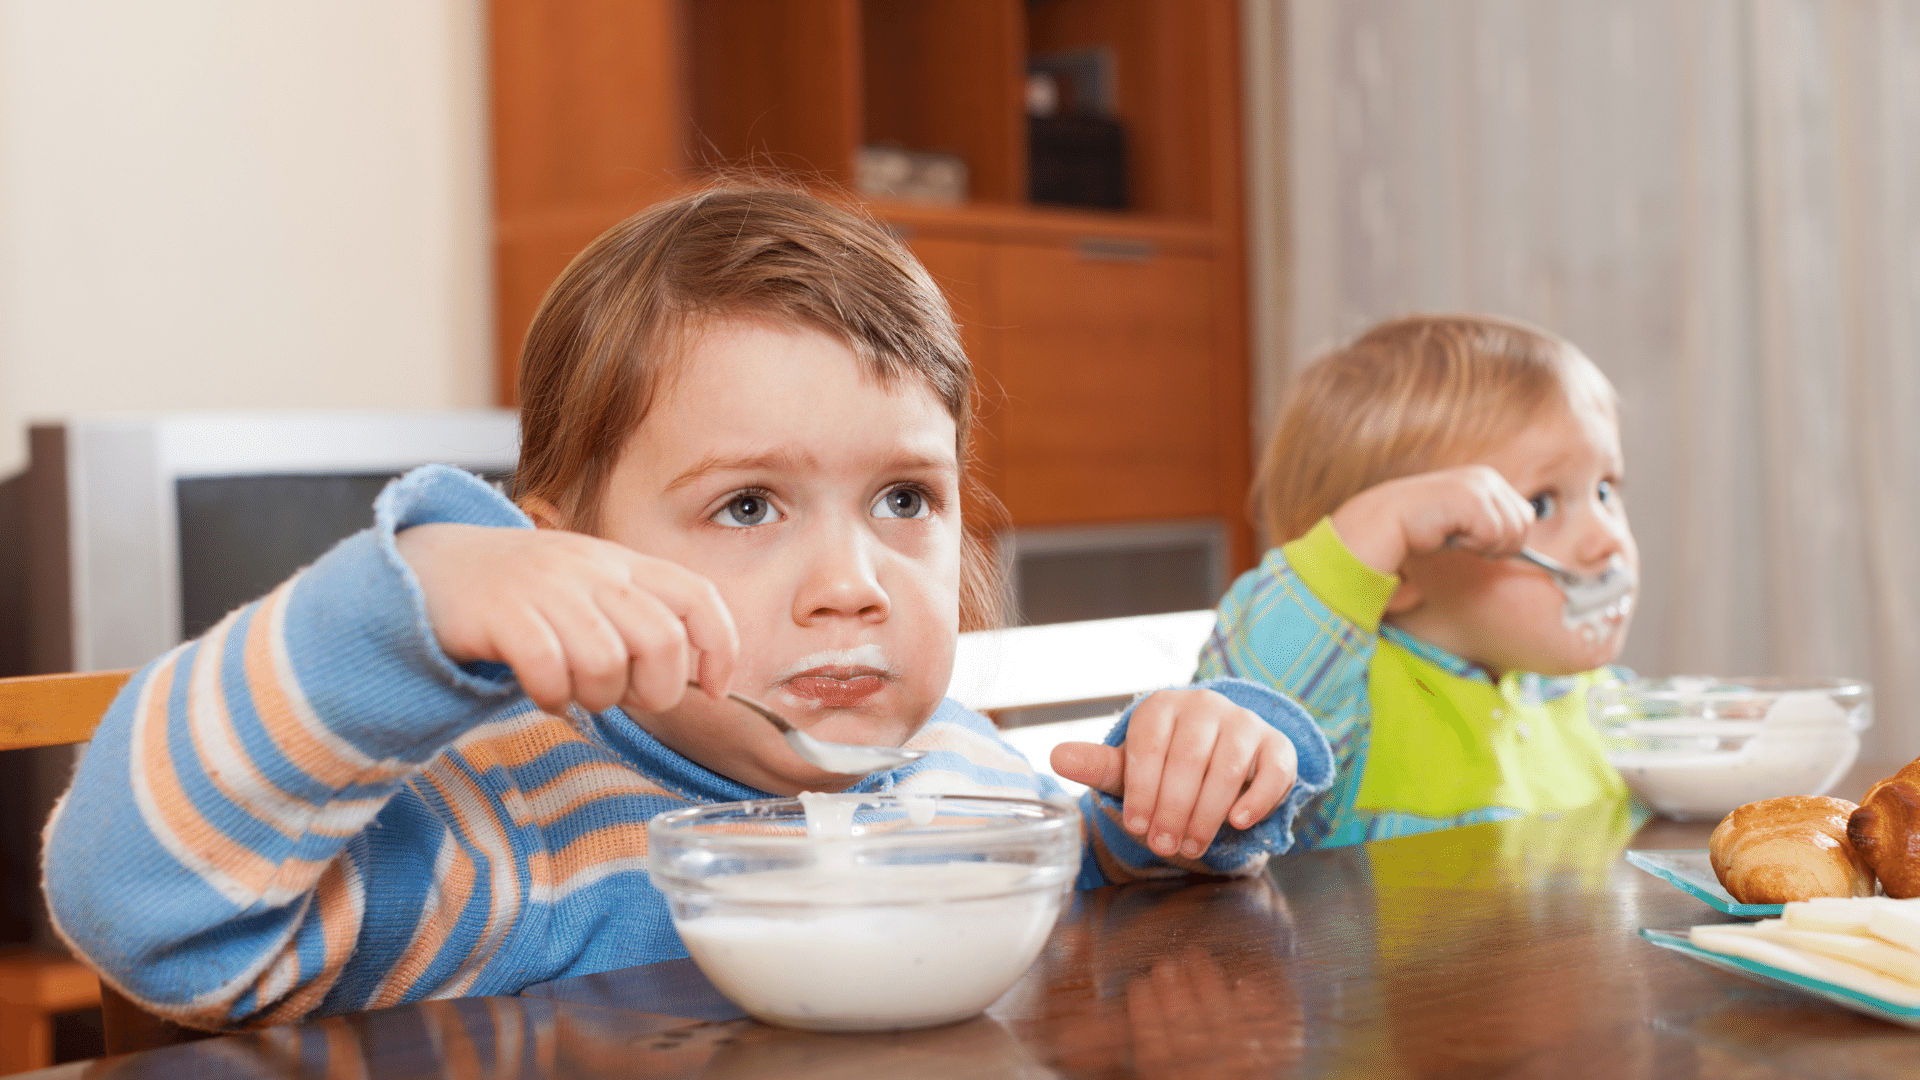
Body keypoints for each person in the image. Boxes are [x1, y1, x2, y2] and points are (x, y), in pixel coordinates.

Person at [42, 184, 1332, 1032]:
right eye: (749, 508)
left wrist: (1192, 780)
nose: (853, 586)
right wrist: (407, 609)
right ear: (565, 560)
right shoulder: (505, 841)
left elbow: (1103, 860)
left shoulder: (949, 772)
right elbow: (141, 907)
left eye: (903, 499)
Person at [1196, 314, 1634, 850]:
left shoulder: (1596, 702)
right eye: (1541, 503)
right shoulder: (1346, 715)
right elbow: (1236, 718)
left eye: (1606, 490)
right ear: (1397, 566)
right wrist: (1374, 528)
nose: (1606, 539)